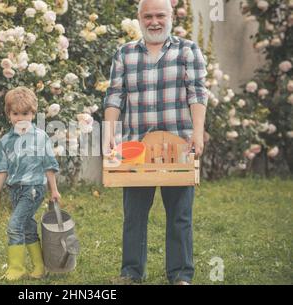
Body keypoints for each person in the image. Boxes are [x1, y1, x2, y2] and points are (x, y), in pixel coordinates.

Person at [103, 0, 208, 285]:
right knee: (134, 215)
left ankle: (181, 275)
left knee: (180, 215)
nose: (154, 21)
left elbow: (197, 93)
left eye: (160, 15)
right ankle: (131, 273)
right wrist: (109, 131)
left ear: (171, 16)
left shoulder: (188, 50)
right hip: (136, 148)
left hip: (179, 146)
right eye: (147, 16)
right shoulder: (124, 53)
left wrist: (198, 132)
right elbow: (114, 96)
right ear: (139, 18)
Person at [0, 86, 61, 281]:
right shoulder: (6, 141)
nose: (20, 118)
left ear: (33, 114)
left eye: (25, 114)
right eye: (15, 114)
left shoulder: (40, 137)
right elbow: (1, 169)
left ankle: (17, 268)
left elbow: (49, 165)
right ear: (9, 114)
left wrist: (53, 189)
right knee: (28, 227)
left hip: (33, 189)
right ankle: (39, 267)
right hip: (15, 190)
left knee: (15, 225)